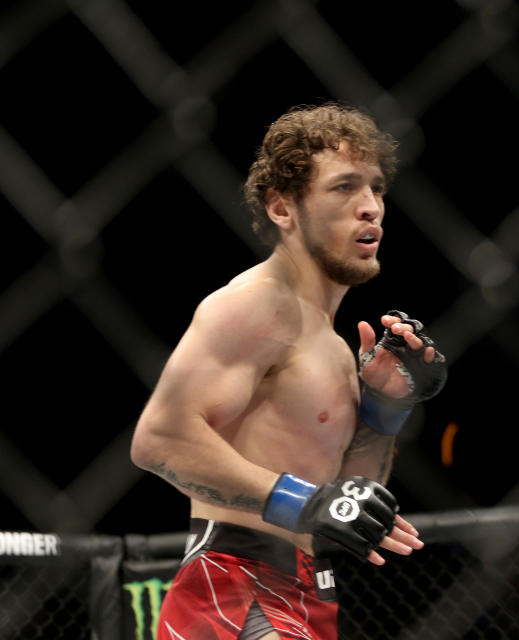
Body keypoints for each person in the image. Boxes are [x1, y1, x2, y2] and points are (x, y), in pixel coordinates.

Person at [130, 102, 447, 640]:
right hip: (233, 587)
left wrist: (384, 411)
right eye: (345, 188)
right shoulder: (256, 305)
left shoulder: (335, 345)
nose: (371, 207)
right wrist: (306, 501)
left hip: (305, 588)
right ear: (283, 209)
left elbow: (349, 496)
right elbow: (158, 440)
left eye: (375, 187)